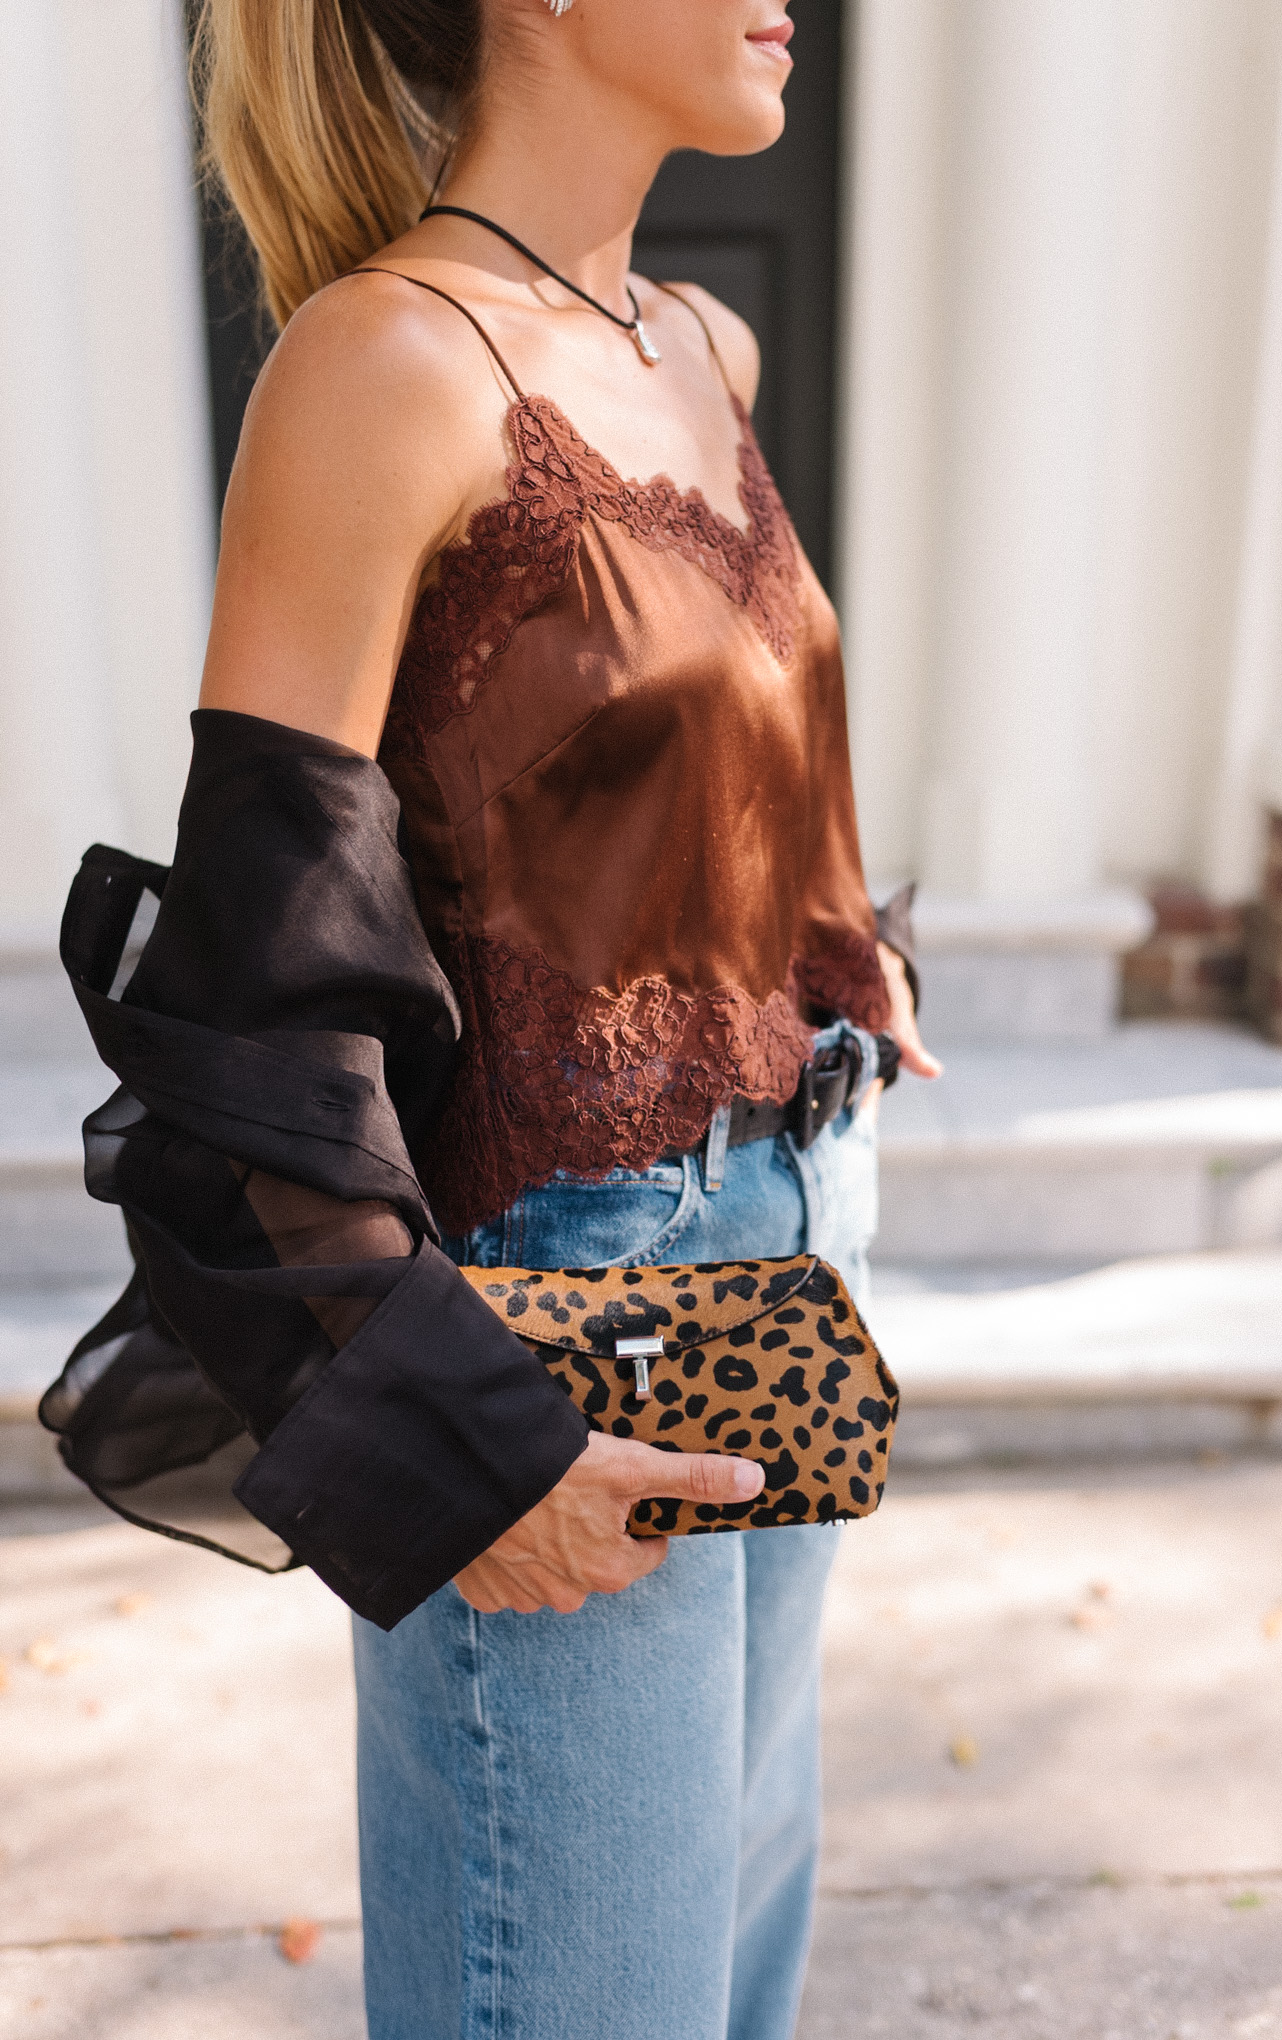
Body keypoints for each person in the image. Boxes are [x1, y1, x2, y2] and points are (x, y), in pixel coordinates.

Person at [45, 2, 939, 2034]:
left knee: (724, 1975)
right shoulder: (385, 365)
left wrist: (840, 961)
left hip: (793, 1249)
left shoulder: (700, 344)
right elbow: (256, 969)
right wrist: (448, 1436)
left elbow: (706, 730)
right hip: (572, 1303)